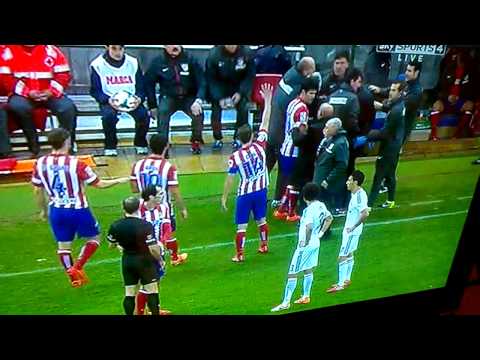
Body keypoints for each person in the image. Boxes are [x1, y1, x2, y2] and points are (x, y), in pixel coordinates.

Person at [31, 128, 129, 287]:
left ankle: (74, 279)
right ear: (66, 142)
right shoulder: (77, 164)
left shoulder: (40, 163)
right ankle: (77, 267)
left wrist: (43, 210)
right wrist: (120, 180)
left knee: (63, 246)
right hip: (78, 209)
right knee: (94, 238)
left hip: (56, 210)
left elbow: (37, 189)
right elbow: (99, 184)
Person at [221, 83, 273, 262]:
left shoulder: (235, 157)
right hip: (261, 189)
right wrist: (268, 101)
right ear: (251, 135)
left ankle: (240, 254)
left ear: (238, 138)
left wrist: (224, 196)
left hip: (245, 193)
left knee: (241, 226)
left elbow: (230, 179)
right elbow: (265, 121)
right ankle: (264, 245)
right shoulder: (260, 145)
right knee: (261, 219)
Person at [2, 45, 77, 156]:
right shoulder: (8, 52)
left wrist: (51, 91)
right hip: (23, 94)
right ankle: (33, 145)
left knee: (67, 108)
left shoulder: (51, 50)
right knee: (18, 107)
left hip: (49, 93)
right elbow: (6, 78)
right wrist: (27, 92)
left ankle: (67, 145)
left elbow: (63, 75)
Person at [271, 182, 333, 312]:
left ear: (304, 196)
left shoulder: (308, 210)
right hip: (316, 243)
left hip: (306, 246)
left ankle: (286, 302)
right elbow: (329, 218)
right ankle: (306, 296)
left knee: (292, 273)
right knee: (307, 269)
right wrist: (320, 234)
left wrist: (306, 241)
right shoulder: (321, 205)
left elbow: (309, 227)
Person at [130, 134, 188, 266]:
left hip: (144, 207)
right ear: (166, 146)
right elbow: (174, 191)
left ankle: (172, 256)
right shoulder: (168, 167)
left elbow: (134, 188)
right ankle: (169, 257)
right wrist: (183, 208)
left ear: (149, 146)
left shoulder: (137, 165)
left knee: (146, 232)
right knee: (166, 231)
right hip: (163, 207)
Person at [267, 57, 316, 206]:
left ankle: (264, 195)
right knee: (286, 172)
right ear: (306, 71)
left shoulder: (289, 75)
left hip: (274, 127)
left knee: (267, 167)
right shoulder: (297, 90)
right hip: (281, 134)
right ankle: (279, 200)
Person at [107, 196, 163, 315]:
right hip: (144, 261)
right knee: (152, 291)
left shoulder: (116, 225)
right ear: (139, 207)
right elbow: (152, 248)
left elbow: (111, 245)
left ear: (123, 208)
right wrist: (159, 259)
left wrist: (119, 246)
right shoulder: (145, 225)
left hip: (127, 261)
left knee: (129, 293)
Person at [145, 45, 206, 155]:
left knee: (198, 114)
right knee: (162, 112)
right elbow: (149, 83)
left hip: (188, 97)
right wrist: (152, 105)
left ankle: (195, 140)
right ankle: (163, 147)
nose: (174, 47)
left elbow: (202, 81)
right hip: (169, 97)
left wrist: (198, 100)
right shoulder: (158, 62)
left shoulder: (191, 59)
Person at [90, 45, 150, 156]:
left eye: (120, 48)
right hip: (109, 100)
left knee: (144, 115)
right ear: (107, 47)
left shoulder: (133, 62)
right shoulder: (97, 64)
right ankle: (110, 145)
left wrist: (139, 98)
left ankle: (140, 143)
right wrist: (108, 100)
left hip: (131, 99)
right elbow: (95, 91)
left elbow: (141, 86)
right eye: (114, 48)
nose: (118, 52)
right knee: (108, 116)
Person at [355, 81, 406, 209]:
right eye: (391, 89)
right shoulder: (399, 106)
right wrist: (382, 107)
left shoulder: (396, 110)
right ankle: (390, 201)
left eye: (394, 90)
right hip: (395, 144)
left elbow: (384, 133)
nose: (390, 92)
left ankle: (369, 204)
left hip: (389, 146)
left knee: (379, 174)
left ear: (400, 93)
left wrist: (367, 136)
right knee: (389, 174)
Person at [273, 78, 318, 222]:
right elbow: (300, 133)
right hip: (293, 151)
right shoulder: (303, 109)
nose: (313, 96)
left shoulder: (293, 103)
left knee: (289, 181)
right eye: (310, 93)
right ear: (303, 92)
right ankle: (291, 212)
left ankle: (282, 209)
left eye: (314, 93)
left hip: (285, 148)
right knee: (294, 182)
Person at [205, 45, 256, 150]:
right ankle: (217, 138)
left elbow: (249, 76)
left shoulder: (247, 53)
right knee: (215, 109)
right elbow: (211, 79)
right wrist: (219, 97)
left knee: (243, 107)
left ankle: (238, 138)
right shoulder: (214, 54)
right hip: (219, 87)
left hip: (238, 87)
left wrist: (241, 93)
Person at [327, 170, 369, 293]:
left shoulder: (360, 196)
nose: (347, 182)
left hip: (352, 232)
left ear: (355, 182)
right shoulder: (355, 193)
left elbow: (365, 213)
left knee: (342, 256)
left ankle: (340, 284)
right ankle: (347, 279)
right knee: (349, 254)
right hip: (351, 230)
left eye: (349, 180)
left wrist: (353, 227)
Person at [135, 185, 172, 315]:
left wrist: (162, 243)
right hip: (142, 251)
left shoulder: (164, 207)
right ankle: (140, 312)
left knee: (156, 280)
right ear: (151, 197)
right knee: (147, 284)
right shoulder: (137, 209)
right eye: (159, 194)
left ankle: (153, 308)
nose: (162, 196)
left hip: (158, 248)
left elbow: (167, 227)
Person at [370, 59, 423, 145]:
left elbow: (400, 108)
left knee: (392, 153)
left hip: (401, 131)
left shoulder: (416, 92)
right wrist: (379, 90)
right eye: (406, 69)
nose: (406, 73)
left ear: (416, 73)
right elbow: (391, 91)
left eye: (409, 71)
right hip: (392, 126)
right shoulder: (406, 83)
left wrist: (381, 107)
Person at [430, 47, 476, 140]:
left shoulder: (473, 71)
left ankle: (458, 134)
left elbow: (475, 90)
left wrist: (470, 101)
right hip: (446, 100)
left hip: (462, 102)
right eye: (456, 56)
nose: (458, 58)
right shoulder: (448, 69)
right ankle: (435, 135)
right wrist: (445, 97)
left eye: (461, 56)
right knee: (437, 107)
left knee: (469, 107)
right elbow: (439, 88)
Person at [313, 117, 349, 214]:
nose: (325, 129)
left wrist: (327, 180)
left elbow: (342, 165)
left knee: (326, 209)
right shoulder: (330, 139)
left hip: (327, 183)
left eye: (327, 127)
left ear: (335, 128)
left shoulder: (340, 143)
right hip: (320, 180)